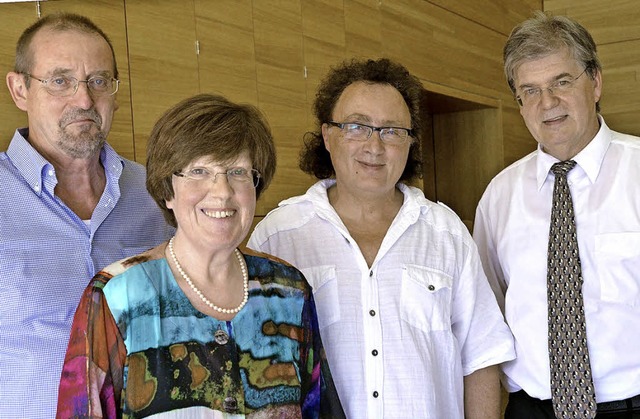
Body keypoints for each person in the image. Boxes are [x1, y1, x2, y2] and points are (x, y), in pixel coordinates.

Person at [248, 58, 515, 418]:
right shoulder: (278, 236)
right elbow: (256, 363)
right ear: (328, 136)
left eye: (391, 131)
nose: (374, 146)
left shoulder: (446, 232)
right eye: (357, 126)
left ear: (409, 144)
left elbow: (481, 357)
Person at [56, 93, 345, 418]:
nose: (222, 191)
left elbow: (320, 410)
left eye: (238, 171)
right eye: (198, 171)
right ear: (168, 190)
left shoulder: (289, 291)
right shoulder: (118, 296)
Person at [0, 13, 172, 418]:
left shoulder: (158, 197)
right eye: (60, 80)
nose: (83, 100)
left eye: (98, 81)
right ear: (19, 89)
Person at [473, 11, 640, 418]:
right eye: (529, 91)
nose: (547, 104)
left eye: (561, 83)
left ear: (595, 82)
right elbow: (485, 320)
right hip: (531, 410)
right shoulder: (499, 196)